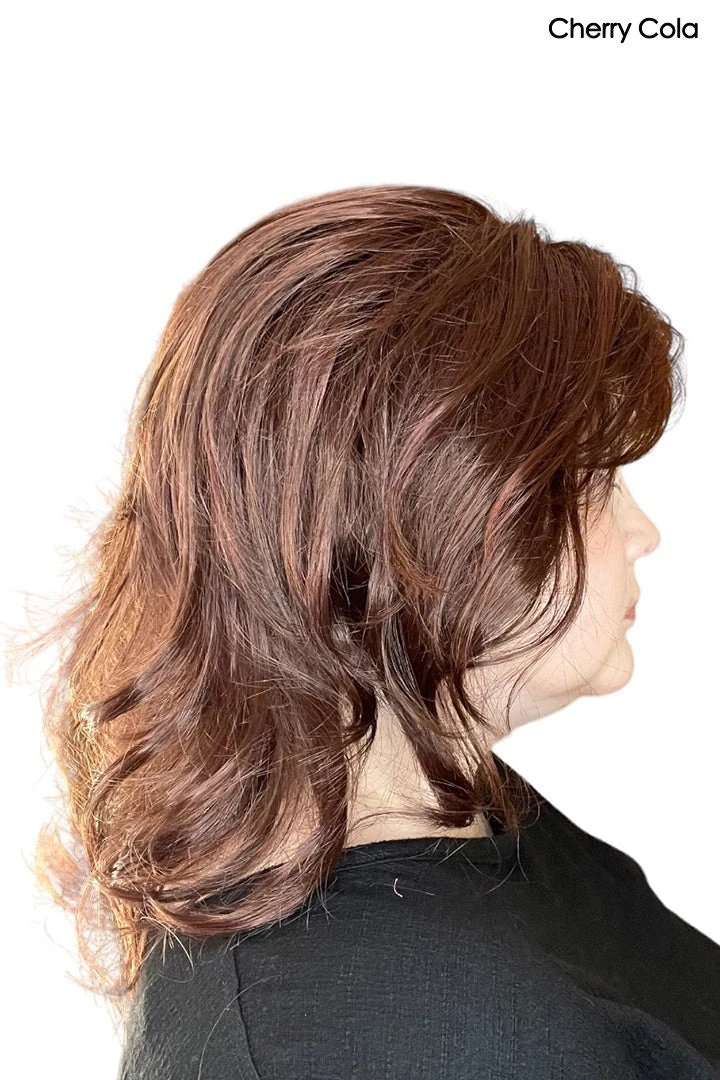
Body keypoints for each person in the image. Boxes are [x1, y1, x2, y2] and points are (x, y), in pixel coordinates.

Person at [15, 184, 719, 1077]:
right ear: (414, 528)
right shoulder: (403, 1037)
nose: (642, 531)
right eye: (588, 482)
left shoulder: (452, 816)